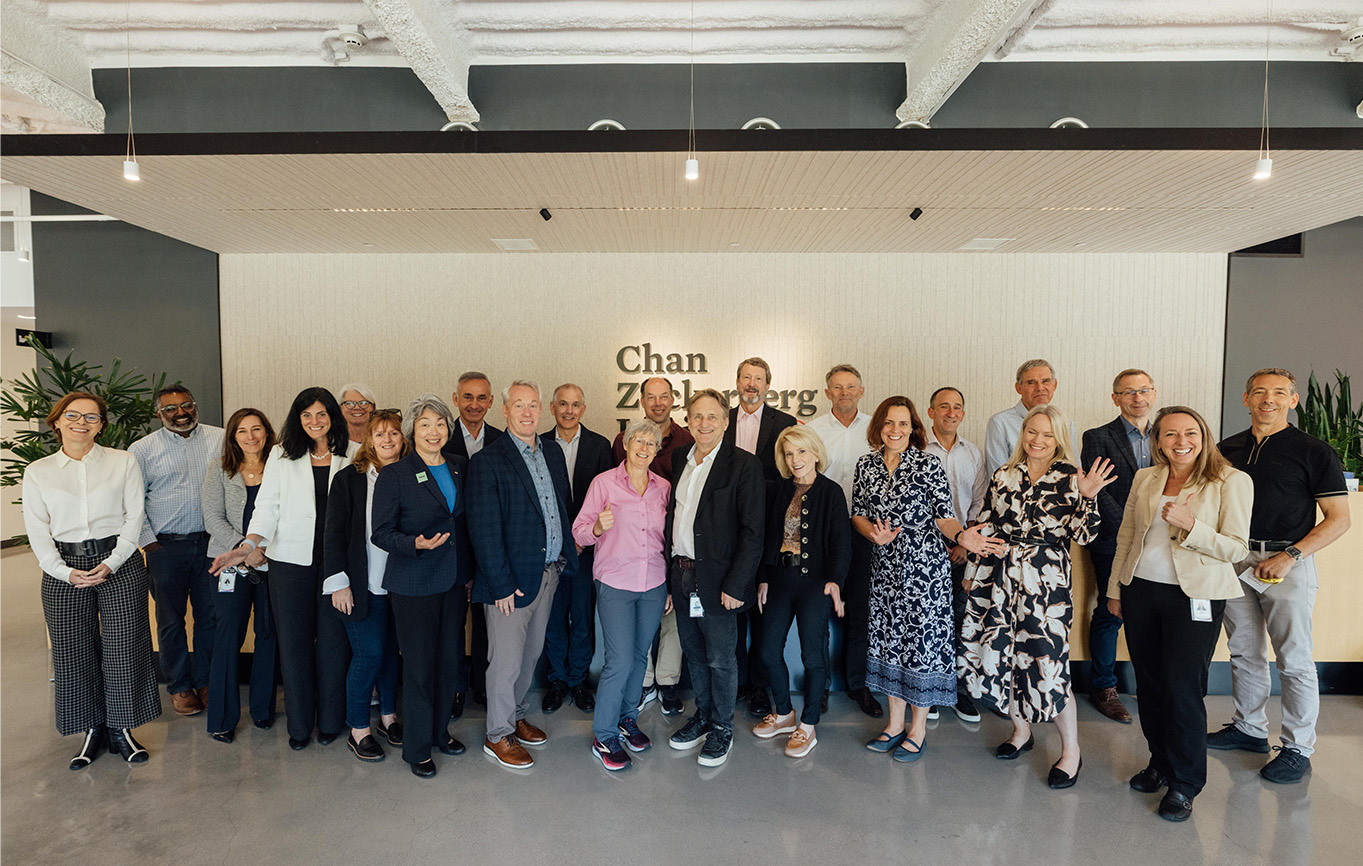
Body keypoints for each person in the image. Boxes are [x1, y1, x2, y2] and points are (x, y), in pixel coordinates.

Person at [1107, 406, 1252, 821]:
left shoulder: (1231, 481)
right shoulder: (1145, 477)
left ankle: (1186, 783)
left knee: (1182, 688)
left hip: (1196, 598)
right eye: (1170, 435)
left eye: (1190, 433)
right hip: (1142, 593)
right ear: (1158, 441)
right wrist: (1116, 589)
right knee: (1149, 685)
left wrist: (1193, 526)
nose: (1180, 442)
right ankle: (1160, 762)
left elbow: (1237, 549)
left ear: (1203, 437)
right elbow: (1127, 537)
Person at [1208, 368, 1351, 784]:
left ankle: (1297, 748)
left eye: (1278, 393)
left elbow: (1339, 520)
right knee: (1244, 650)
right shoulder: (1225, 448)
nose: (1267, 399)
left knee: (1294, 658)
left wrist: (1290, 555)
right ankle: (1249, 728)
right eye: (1258, 392)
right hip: (1235, 560)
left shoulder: (1315, 451)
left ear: (1292, 400)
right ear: (1246, 399)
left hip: (1287, 563)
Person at [961, 404, 1113, 789]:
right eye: (1032, 432)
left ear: (1058, 438)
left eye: (1047, 434)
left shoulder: (1071, 478)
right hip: (999, 577)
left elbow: (1084, 535)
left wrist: (1088, 497)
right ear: (1022, 432)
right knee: (1008, 658)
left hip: (1044, 586)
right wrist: (972, 565)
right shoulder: (1003, 475)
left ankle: (1071, 751)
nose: (1038, 440)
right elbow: (989, 523)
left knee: (1048, 665)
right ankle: (1021, 731)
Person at [854, 396, 1003, 765]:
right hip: (885, 568)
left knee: (919, 646)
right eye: (889, 423)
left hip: (924, 570)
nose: (895, 430)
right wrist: (872, 534)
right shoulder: (865, 465)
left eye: (903, 424)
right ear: (879, 427)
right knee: (889, 644)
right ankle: (893, 725)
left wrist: (962, 537)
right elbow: (857, 513)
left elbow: (943, 516)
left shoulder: (927, 464)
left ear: (914, 428)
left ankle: (917, 729)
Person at [211, 387, 355, 751]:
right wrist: (248, 545)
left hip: (338, 565)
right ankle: (300, 725)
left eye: (321, 414)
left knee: (334, 647)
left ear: (332, 416)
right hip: (291, 565)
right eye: (307, 415)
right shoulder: (281, 455)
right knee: (294, 646)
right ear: (298, 419)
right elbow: (267, 508)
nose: (314, 421)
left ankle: (330, 721)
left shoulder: (352, 454)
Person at [22, 392, 161, 768]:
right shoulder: (38, 472)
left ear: (102, 424)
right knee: (72, 651)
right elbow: (37, 530)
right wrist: (63, 570)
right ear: (57, 421)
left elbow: (135, 516)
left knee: (124, 647)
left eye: (91, 417)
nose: (81, 422)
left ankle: (122, 729)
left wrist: (114, 562)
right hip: (63, 566)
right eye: (73, 415)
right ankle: (90, 729)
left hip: (119, 561)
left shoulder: (123, 462)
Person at [467, 380, 578, 770]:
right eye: (519, 405)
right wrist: (499, 583)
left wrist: (563, 558)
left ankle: (514, 716)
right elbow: (484, 529)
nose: (528, 412)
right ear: (505, 410)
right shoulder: (488, 461)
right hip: (508, 584)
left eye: (533, 405)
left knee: (530, 656)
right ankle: (497, 735)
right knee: (506, 662)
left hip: (546, 573)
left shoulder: (549, 453)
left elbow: (559, 508)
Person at [372, 396, 474, 778]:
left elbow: (465, 527)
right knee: (418, 667)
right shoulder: (395, 474)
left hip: (452, 582)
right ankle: (416, 748)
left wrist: (470, 573)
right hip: (413, 583)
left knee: (449, 661)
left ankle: (439, 731)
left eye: (441, 424)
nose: (435, 432)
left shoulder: (460, 468)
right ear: (414, 430)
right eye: (427, 424)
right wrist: (413, 543)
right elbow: (380, 533)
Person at [665, 389, 764, 768]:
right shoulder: (679, 457)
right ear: (687, 421)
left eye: (712, 417)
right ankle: (703, 716)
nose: (704, 424)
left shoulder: (744, 465)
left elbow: (753, 532)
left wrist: (737, 585)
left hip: (721, 581)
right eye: (697, 417)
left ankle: (722, 727)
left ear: (726, 422)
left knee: (722, 658)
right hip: (682, 574)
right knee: (694, 653)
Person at [572, 419, 671, 771]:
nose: (644, 448)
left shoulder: (663, 488)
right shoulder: (604, 483)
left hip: (654, 584)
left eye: (651, 443)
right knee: (619, 661)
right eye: (637, 441)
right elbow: (580, 532)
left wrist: (670, 586)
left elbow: (669, 542)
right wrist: (598, 527)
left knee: (641, 657)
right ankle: (603, 734)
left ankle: (628, 719)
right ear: (625, 445)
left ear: (657, 449)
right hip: (615, 583)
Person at [752, 426, 849, 758]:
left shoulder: (831, 492)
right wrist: (764, 577)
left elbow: (841, 543)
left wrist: (835, 580)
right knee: (767, 650)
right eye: (789, 453)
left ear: (816, 453)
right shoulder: (778, 490)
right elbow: (768, 538)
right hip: (780, 578)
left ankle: (807, 724)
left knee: (812, 656)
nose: (796, 459)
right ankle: (783, 712)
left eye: (802, 452)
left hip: (815, 583)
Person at [129, 385, 224, 717]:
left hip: (213, 545)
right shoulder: (141, 450)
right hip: (165, 548)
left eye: (186, 405)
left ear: (195, 405)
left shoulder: (221, 438)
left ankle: (208, 682)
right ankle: (180, 686)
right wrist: (149, 541)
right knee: (170, 621)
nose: (180, 413)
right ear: (159, 414)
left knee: (209, 617)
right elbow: (132, 501)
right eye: (170, 409)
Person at [323, 409, 407, 764]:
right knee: (369, 654)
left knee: (391, 654)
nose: (387, 440)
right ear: (369, 440)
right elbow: (333, 534)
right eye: (380, 434)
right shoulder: (349, 480)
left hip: (402, 585)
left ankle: (388, 717)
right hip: (361, 585)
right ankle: (359, 728)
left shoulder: (411, 475)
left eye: (393, 434)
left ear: (403, 439)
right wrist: (339, 583)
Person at [1080, 369, 1158, 724]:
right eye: (1129, 392)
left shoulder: (1169, 435)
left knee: (1156, 612)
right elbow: (1101, 493)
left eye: (1143, 391)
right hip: (1112, 539)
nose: (1137, 398)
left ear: (1153, 394)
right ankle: (1104, 687)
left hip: (1162, 541)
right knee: (1111, 611)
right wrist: (1131, 529)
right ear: (1116, 398)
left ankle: (1155, 684)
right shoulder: (1098, 437)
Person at [612, 376, 693, 716]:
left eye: (664, 396)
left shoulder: (688, 439)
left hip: (673, 540)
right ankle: (644, 683)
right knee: (640, 619)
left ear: (673, 399)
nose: (658, 402)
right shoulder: (622, 440)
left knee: (673, 619)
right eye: (651, 397)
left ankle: (668, 683)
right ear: (641, 400)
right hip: (633, 544)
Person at [723, 356, 797, 718]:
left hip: (769, 534)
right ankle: (735, 684)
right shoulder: (721, 422)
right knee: (732, 613)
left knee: (762, 618)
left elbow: (788, 479)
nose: (751, 384)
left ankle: (757, 688)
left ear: (768, 385)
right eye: (745, 377)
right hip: (728, 534)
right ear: (737, 383)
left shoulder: (784, 424)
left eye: (758, 379)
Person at [202, 408, 279, 742]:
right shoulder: (219, 469)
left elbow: (286, 514)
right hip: (230, 564)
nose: (251, 437)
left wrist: (263, 553)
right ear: (232, 436)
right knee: (228, 638)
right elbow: (212, 519)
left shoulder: (282, 467)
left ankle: (262, 711)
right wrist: (244, 550)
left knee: (268, 635)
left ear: (267, 432)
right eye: (242, 431)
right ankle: (222, 717)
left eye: (257, 429)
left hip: (273, 562)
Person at [806, 364, 879, 718]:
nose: (845, 393)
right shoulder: (813, 430)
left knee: (860, 611)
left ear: (861, 391)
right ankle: (818, 687)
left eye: (851, 387)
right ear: (827, 392)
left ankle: (858, 685)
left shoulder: (876, 429)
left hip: (865, 531)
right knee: (818, 611)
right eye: (838, 387)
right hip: (823, 531)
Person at [541, 383, 614, 715]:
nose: (569, 410)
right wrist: (561, 542)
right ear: (553, 408)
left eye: (575, 405)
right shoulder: (537, 445)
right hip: (552, 552)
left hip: (587, 552)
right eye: (562, 405)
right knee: (553, 618)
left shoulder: (600, 446)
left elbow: (607, 500)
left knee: (583, 618)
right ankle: (557, 679)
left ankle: (578, 680)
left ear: (584, 409)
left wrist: (583, 539)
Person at [923, 386, 988, 724]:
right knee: (929, 624)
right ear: (931, 411)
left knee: (963, 622)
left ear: (963, 414)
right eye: (943, 406)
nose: (951, 412)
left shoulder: (974, 454)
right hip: (924, 554)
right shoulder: (915, 451)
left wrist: (963, 543)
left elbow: (979, 504)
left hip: (964, 553)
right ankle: (930, 692)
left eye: (957, 407)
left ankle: (960, 692)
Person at [443, 371, 503, 715]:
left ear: (491, 402)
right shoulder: (438, 436)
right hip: (450, 552)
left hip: (490, 550)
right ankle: (454, 690)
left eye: (482, 398)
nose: (474, 404)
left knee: (487, 625)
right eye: (468, 397)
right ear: (456, 399)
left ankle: (482, 687)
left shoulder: (501, 439)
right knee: (453, 626)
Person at [984, 359, 1078, 475]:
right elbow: (997, 476)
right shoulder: (1000, 423)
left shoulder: (1066, 424)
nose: (1040, 388)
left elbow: (1074, 472)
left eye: (1046, 381)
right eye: (1031, 382)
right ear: (1019, 388)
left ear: (1054, 385)